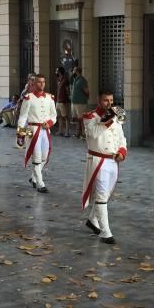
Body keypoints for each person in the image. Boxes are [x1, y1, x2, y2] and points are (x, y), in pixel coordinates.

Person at [81, 90, 127, 245]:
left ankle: (92, 220)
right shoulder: (90, 117)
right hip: (98, 160)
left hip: (113, 161)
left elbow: (122, 138)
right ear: (99, 101)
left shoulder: (117, 118)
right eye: (106, 100)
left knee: (106, 195)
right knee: (101, 196)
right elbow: (93, 133)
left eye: (111, 100)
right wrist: (110, 118)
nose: (110, 103)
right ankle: (105, 232)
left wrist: (122, 151)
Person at [16, 73, 56, 193]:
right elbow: (23, 117)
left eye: (43, 82)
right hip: (32, 131)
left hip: (45, 131)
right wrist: (20, 132)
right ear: (34, 83)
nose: (42, 84)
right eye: (39, 82)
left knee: (44, 156)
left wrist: (49, 123)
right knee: (37, 157)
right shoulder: (29, 98)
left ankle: (33, 177)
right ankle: (40, 183)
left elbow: (54, 115)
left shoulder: (49, 98)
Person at [70, 66, 89, 138]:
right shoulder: (75, 79)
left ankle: (84, 133)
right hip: (74, 102)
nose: (72, 72)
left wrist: (84, 98)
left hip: (80, 103)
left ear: (77, 71)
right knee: (78, 119)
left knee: (82, 118)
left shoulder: (82, 80)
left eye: (74, 71)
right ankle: (78, 133)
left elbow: (87, 91)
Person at [55, 67, 71, 137]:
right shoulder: (58, 80)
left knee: (66, 117)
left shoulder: (65, 80)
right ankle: (60, 131)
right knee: (59, 117)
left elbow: (68, 91)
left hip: (63, 101)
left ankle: (67, 131)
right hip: (58, 101)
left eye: (56, 70)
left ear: (59, 71)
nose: (55, 72)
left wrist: (67, 99)